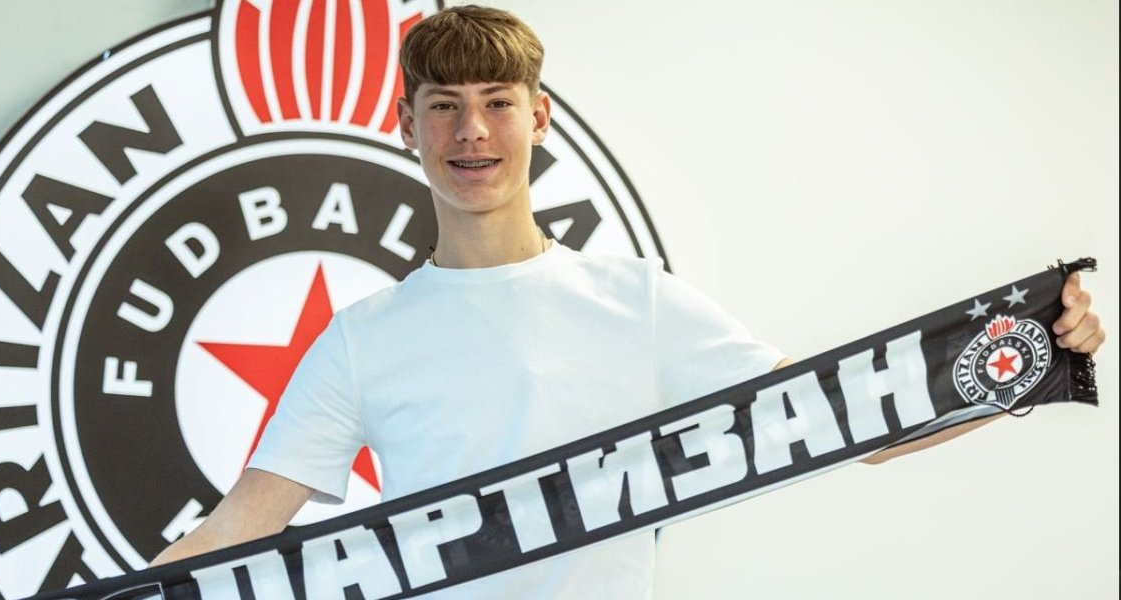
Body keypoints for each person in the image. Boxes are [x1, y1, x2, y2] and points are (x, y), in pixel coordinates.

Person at [151, 5, 1105, 597]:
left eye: (496, 101)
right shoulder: (363, 339)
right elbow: (239, 529)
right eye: (443, 104)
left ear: (538, 116)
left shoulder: (634, 299)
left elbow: (848, 418)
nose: (471, 130)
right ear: (407, 125)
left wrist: (1032, 357)